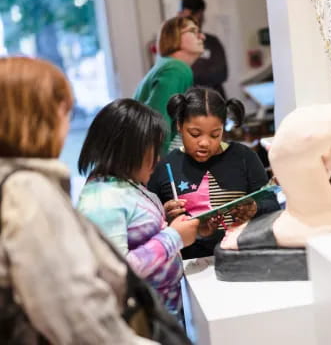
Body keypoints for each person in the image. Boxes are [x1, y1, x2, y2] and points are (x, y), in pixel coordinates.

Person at [0, 57, 157, 344]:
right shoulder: (27, 191)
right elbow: (77, 313)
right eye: (64, 112)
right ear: (38, 116)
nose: (66, 123)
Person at [76, 98, 199, 321]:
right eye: (153, 149)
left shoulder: (124, 182)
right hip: (142, 323)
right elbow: (116, 273)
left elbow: (136, 230)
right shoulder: (102, 200)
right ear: (131, 149)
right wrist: (173, 237)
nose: (158, 158)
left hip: (163, 315)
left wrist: (165, 220)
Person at [148, 88, 280, 259]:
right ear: (179, 125)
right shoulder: (166, 166)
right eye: (195, 134)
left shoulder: (244, 157)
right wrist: (164, 215)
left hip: (244, 255)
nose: (204, 142)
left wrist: (255, 207)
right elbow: (147, 225)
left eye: (215, 134)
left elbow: (273, 207)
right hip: (192, 264)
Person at [134, 16, 205, 154]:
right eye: (193, 31)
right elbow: (159, 125)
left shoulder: (167, 66)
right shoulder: (176, 69)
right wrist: (162, 170)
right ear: (174, 37)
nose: (202, 36)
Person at [179, 0, 228, 98]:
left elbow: (221, 73)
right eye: (190, 15)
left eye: (198, 14)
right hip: (189, 104)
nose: (196, 19)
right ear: (182, 15)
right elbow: (176, 77)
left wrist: (190, 74)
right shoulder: (176, 44)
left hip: (215, 102)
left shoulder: (212, 42)